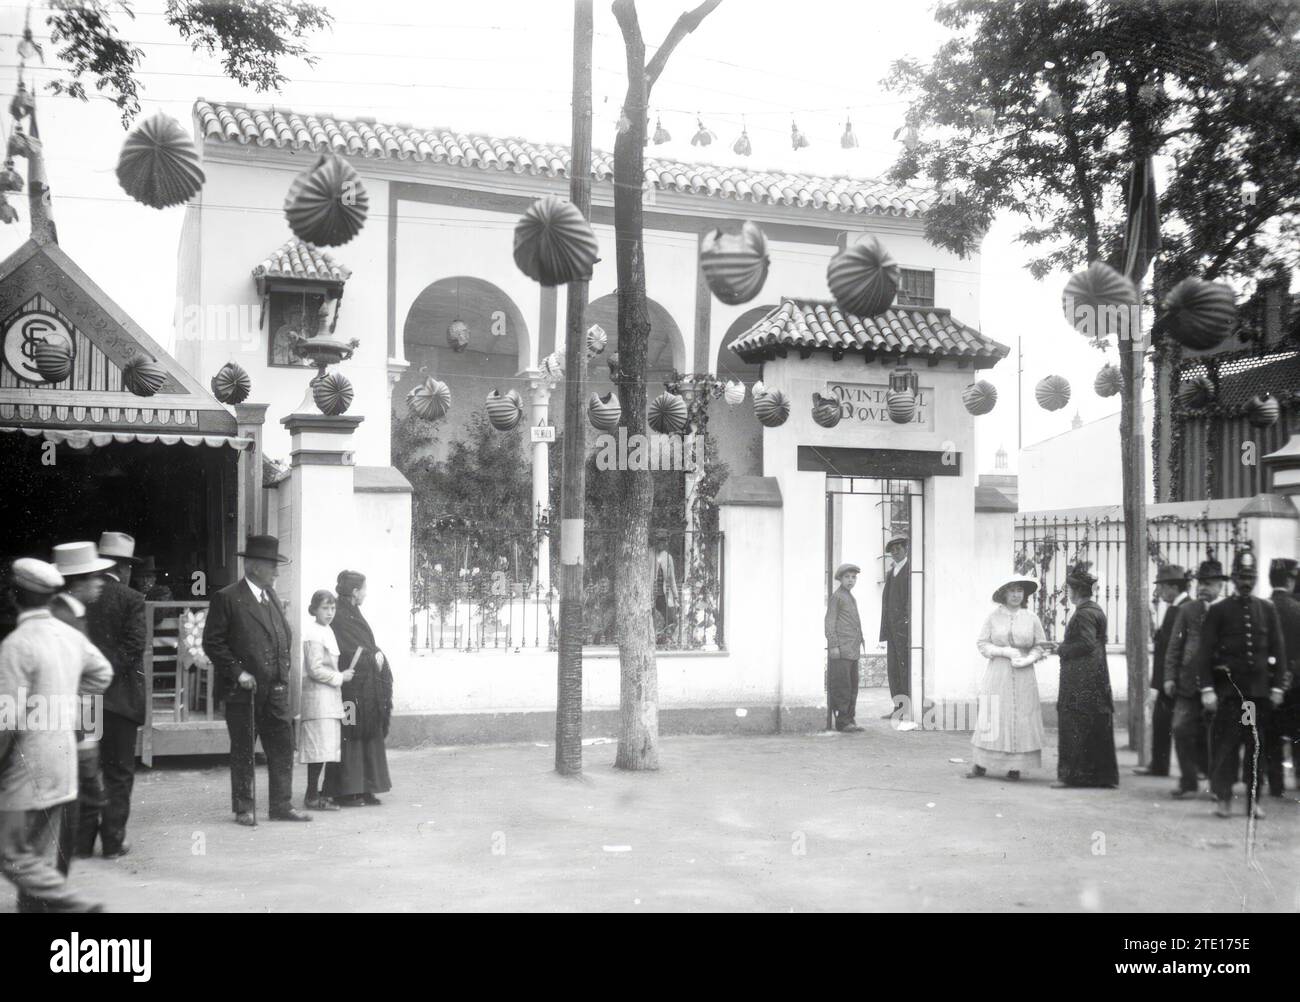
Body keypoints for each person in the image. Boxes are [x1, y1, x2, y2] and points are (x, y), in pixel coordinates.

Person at [0, 558, 112, 913]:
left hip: (24, 774)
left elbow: (7, 721)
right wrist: (65, 701)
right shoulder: (70, 637)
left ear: (15, 596)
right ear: (51, 597)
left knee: (12, 851)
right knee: (41, 855)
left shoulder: (16, 645)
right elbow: (102, 675)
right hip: (62, 767)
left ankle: (73, 905)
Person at [203, 535, 310, 825]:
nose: (277, 572)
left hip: (275, 690)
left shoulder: (271, 596)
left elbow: (281, 636)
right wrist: (238, 672)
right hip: (243, 692)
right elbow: (213, 644)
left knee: (282, 747)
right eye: (271, 566)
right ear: (252, 566)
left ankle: (281, 806)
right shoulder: (227, 598)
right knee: (243, 750)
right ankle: (244, 808)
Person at [1194, 547, 1286, 819]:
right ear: (1232, 578)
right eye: (1241, 576)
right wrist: (1208, 688)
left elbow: (1279, 651)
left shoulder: (1267, 610)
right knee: (1226, 748)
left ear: (1256, 578)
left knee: (1256, 750)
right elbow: (1204, 653)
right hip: (1229, 695)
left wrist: (1279, 686)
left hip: (1257, 695)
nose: (1246, 582)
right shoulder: (1219, 611)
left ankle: (1253, 802)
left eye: (1250, 576)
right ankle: (1223, 799)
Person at [48, 542, 114, 869]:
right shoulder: (63, 619)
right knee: (84, 782)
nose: (101, 582)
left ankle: (78, 850)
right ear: (77, 582)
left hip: (85, 709)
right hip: (74, 713)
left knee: (88, 781)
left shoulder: (73, 613)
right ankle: (70, 855)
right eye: (95, 577)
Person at [84, 531, 146, 859]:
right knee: (119, 773)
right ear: (123, 568)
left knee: (86, 769)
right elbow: (134, 647)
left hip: (85, 700)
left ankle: (81, 842)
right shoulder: (132, 599)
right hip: (121, 700)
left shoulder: (80, 597)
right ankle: (112, 841)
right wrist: (106, 673)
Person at [968, 574, 1049, 780]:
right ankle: (981, 764)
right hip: (999, 672)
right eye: (1012, 590)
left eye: (1019, 591)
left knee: (1023, 716)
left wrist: (1030, 657)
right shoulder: (993, 617)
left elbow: (1040, 644)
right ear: (1004, 594)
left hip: (1024, 674)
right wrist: (1003, 652)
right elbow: (982, 643)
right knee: (993, 715)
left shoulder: (1031, 618)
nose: (1016, 595)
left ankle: (1016, 767)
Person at [323, 571, 393, 806]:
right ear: (354, 592)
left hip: (366, 688)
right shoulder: (340, 614)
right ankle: (346, 790)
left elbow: (365, 646)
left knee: (367, 731)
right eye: (363, 589)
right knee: (349, 731)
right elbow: (349, 649)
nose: (365, 593)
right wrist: (375, 656)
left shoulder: (352, 612)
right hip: (350, 687)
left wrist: (375, 654)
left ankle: (365, 787)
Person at [1163, 558, 1225, 799]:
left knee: (1217, 735)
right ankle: (1188, 779)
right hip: (1188, 684)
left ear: (1220, 586)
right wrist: (1169, 677)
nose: (1203, 588)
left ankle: (1217, 784)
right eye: (1200, 583)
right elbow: (1174, 647)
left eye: (1209, 583)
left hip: (1219, 685)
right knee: (1180, 729)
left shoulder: (1227, 610)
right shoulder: (1188, 610)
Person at [1051, 566, 1118, 788]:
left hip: (1081, 680)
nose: (1068, 593)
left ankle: (1072, 776)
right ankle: (1101, 777)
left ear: (1075, 591)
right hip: (1095, 677)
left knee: (1074, 724)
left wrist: (1061, 649)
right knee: (1094, 724)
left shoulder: (1083, 613)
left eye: (1069, 589)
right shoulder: (1096, 610)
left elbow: (1087, 643)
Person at [300, 590, 354, 811]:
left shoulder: (326, 630)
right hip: (318, 699)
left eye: (332, 608)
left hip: (329, 699)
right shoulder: (314, 632)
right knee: (318, 750)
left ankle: (317, 794)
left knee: (325, 749)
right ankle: (312, 796)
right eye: (325, 608)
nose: (330, 612)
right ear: (314, 609)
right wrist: (340, 677)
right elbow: (314, 669)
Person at [1135, 565, 1190, 777]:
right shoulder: (1175, 607)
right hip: (1167, 678)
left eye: (1163, 587)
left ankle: (1166, 767)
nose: (1160, 592)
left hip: (1174, 679)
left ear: (1174, 587)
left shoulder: (1183, 608)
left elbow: (1176, 647)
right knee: (1162, 722)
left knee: (1172, 724)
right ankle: (1159, 765)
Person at [1264, 558, 1300, 798]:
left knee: (1271, 733)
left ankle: (1275, 785)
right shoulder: (1298, 609)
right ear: (1290, 580)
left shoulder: (1262, 607)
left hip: (1269, 683)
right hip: (1297, 683)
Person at [824, 563, 865, 733]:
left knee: (853, 686)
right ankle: (842, 721)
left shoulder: (849, 596)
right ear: (840, 578)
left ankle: (850, 719)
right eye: (847, 577)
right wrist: (833, 645)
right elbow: (829, 622)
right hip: (841, 650)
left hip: (852, 650)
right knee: (842, 686)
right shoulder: (837, 597)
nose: (850, 580)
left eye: (853, 577)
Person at [879, 535, 911, 711]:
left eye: (898, 548)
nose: (895, 552)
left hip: (905, 630)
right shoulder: (891, 572)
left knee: (904, 668)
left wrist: (907, 622)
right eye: (892, 550)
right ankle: (898, 707)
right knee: (893, 670)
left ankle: (907, 708)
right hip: (892, 629)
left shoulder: (911, 570)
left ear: (906, 549)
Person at [651, 530, 679, 645]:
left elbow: (672, 579)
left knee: (671, 618)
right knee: (651, 620)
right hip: (651, 594)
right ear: (655, 542)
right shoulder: (649, 555)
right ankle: (653, 640)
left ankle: (663, 640)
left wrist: (676, 597)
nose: (661, 544)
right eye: (659, 541)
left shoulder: (668, 557)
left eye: (663, 541)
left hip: (664, 595)